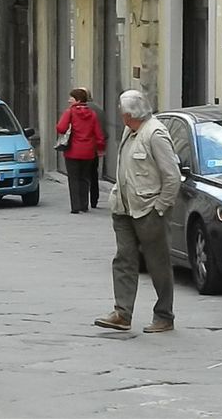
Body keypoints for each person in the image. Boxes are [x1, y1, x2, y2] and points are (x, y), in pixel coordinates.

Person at [94, 89, 180, 333]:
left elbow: (172, 177)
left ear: (131, 114)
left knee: (158, 264)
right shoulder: (130, 130)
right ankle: (122, 313)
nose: (121, 117)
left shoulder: (156, 134)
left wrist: (161, 207)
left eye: (123, 113)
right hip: (124, 208)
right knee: (123, 259)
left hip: (149, 210)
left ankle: (164, 315)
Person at [56, 88, 105, 214]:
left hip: (72, 150)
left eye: (71, 98)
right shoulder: (92, 114)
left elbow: (61, 128)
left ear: (77, 100)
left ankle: (75, 206)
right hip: (88, 151)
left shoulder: (70, 112)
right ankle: (84, 204)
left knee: (73, 178)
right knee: (84, 178)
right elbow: (99, 133)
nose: (68, 100)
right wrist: (100, 148)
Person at [78, 87, 107, 208]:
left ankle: (82, 201)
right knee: (93, 174)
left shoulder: (78, 110)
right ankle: (94, 199)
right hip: (95, 147)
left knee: (80, 175)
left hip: (80, 147)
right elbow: (104, 131)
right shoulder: (99, 110)